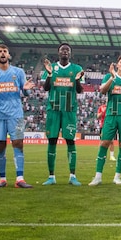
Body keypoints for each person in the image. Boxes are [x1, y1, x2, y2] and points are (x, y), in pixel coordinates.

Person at [0, 44, 35, 188]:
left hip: (15, 114)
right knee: (0, 147)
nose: (3, 53)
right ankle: (2, 179)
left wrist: (27, 90)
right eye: (0, 51)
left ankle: (20, 179)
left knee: (18, 144)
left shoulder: (18, 72)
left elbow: (26, 92)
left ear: (9, 55)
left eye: (5, 51)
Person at [89, 55, 121, 186]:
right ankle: (98, 176)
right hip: (111, 115)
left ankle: (117, 176)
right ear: (117, 65)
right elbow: (102, 91)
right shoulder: (109, 76)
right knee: (104, 143)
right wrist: (112, 77)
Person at [40, 43, 84, 186]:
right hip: (53, 109)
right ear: (58, 53)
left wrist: (77, 80)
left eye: (67, 50)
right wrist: (50, 74)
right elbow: (46, 88)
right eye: (62, 50)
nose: (65, 52)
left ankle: (72, 176)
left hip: (69, 109)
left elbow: (80, 91)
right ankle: (51, 176)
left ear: (70, 54)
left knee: (70, 141)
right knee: (52, 140)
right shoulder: (51, 68)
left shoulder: (77, 69)